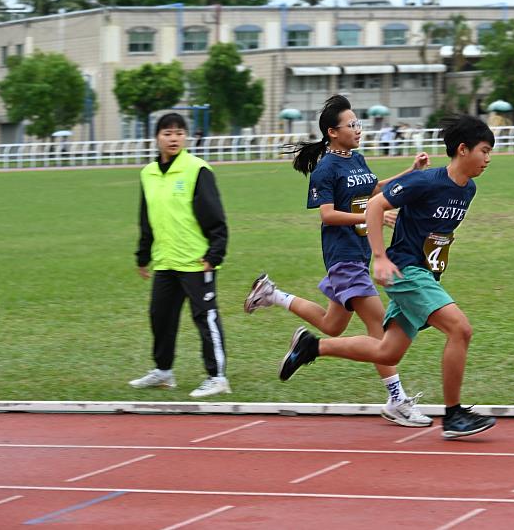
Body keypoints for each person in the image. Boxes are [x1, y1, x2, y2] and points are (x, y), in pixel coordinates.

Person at [277, 114, 497, 439]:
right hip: (404, 271)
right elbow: (376, 205)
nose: (488, 158)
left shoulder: (468, 189)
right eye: (484, 150)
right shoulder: (428, 181)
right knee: (460, 329)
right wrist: (380, 258)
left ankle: (312, 348)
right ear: (462, 149)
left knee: (387, 352)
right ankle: (454, 416)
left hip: (426, 275)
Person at [244, 95, 432, 428]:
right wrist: (369, 216)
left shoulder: (356, 159)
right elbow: (328, 215)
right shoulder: (326, 169)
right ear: (333, 132)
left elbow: (375, 190)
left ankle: (272, 294)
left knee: (333, 325)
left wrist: (412, 173)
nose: (359, 129)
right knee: (382, 330)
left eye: (358, 123)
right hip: (343, 257)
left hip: (357, 255)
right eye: (352, 124)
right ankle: (397, 400)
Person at [129, 113, 231, 399]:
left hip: (197, 261)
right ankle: (163, 372)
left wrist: (215, 253)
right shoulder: (148, 173)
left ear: (185, 137)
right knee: (159, 316)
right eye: (167, 133)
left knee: (205, 318)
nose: (173, 138)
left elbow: (216, 217)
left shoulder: (197, 170)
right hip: (165, 261)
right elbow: (146, 217)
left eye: (178, 133)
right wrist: (143, 255)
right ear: (157, 138)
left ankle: (217, 376)